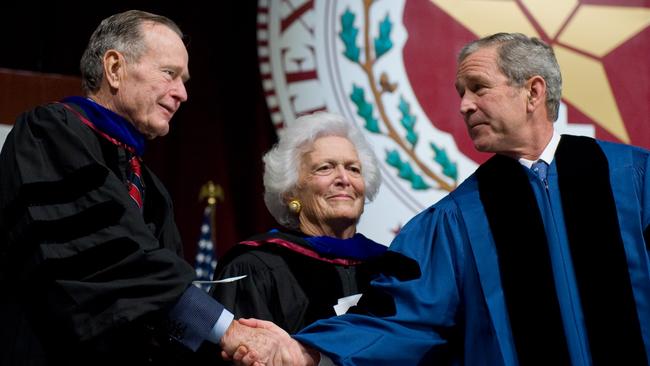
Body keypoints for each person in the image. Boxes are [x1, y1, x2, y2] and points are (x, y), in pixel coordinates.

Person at [225, 32, 650, 365]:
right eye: (461, 92)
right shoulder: (457, 219)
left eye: (478, 88)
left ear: (533, 92)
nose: (464, 106)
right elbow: (402, 316)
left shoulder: (632, 178)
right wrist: (306, 352)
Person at [0, 10, 262, 365]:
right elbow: (111, 255)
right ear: (114, 68)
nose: (182, 93)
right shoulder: (49, 132)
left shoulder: (150, 186)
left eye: (184, 80)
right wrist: (224, 329)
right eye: (169, 73)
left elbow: (159, 305)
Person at [210, 111, 388, 334]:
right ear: (290, 191)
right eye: (325, 167)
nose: (344, 179)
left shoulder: (390, 269)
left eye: (354, 169)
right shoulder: (256, 269)